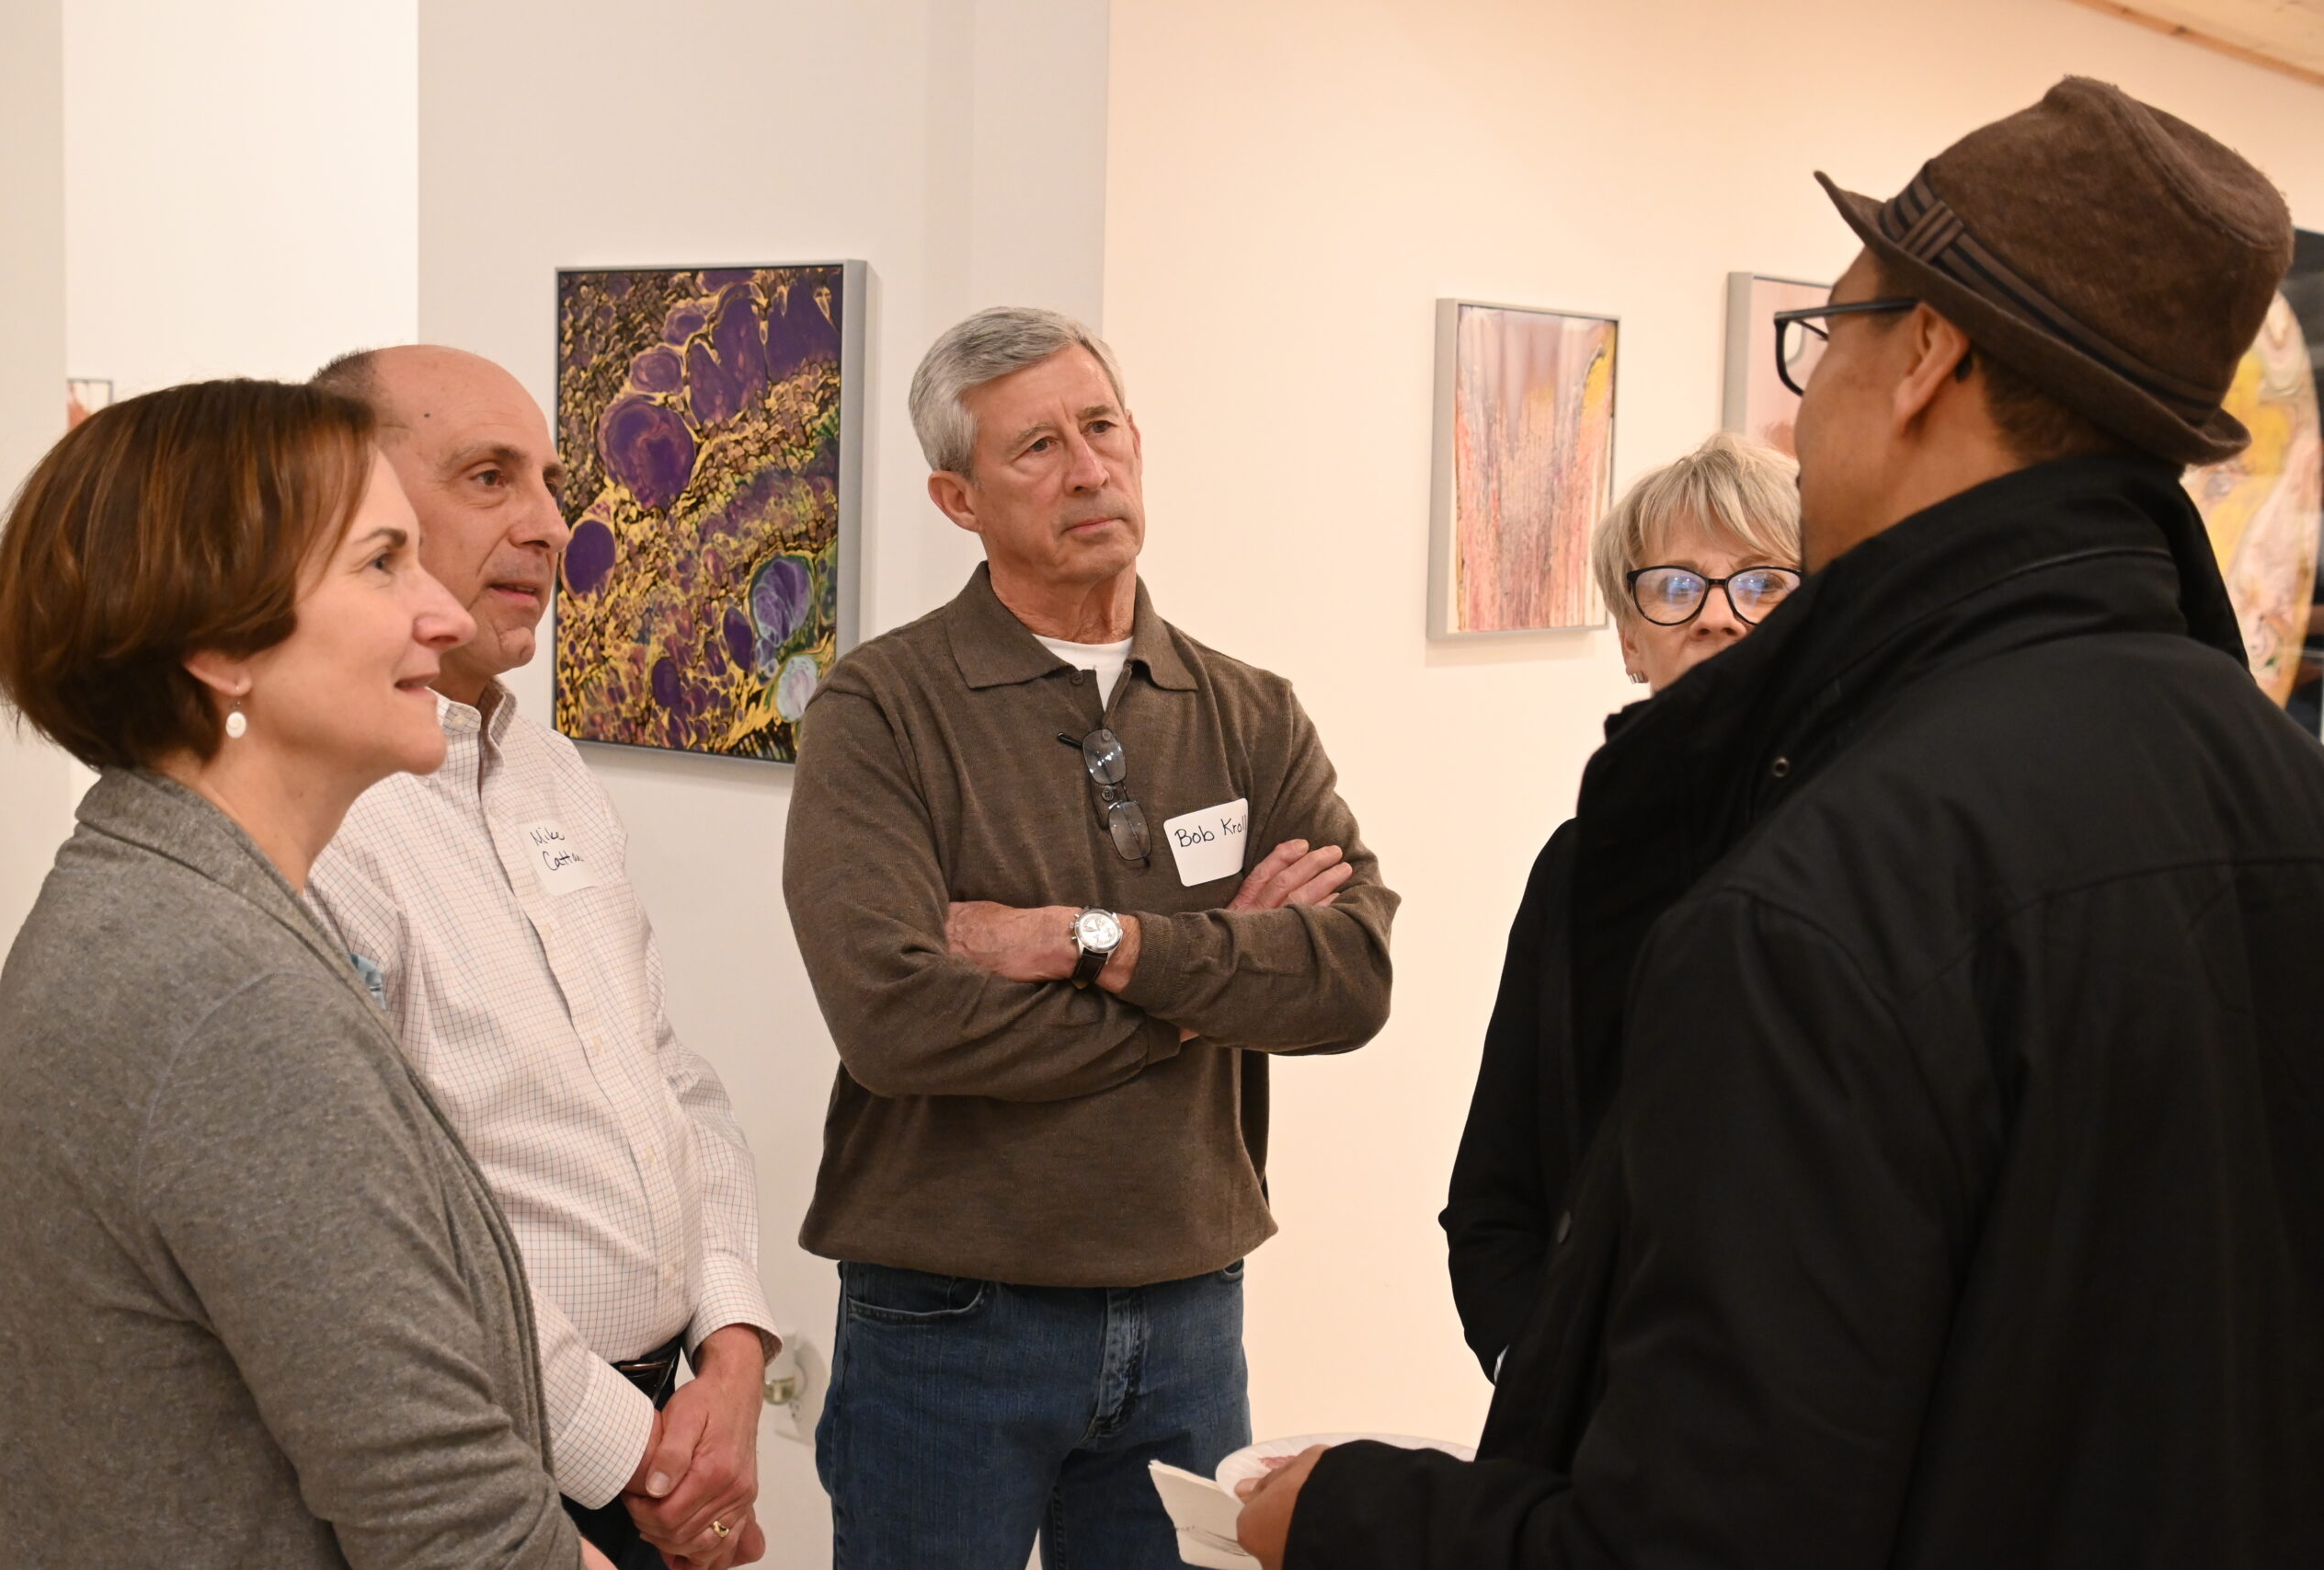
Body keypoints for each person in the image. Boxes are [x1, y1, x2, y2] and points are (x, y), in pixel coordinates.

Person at [1241, 77, 2324, 1568]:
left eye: (1826, 338)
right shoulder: (2269, 782)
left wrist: (1348, 1515)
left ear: (1930, 356)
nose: (1804, 408)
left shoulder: (1838, 882)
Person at [782, 306, 1399, 1569]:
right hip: (950, 1313)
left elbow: (1350, 976)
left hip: (1189, 1304)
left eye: (1102, 427)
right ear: (958, 498)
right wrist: (1207, 982)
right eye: (1037, 448)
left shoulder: (1247, 709)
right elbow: (896, 1020)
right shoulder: (880, 710)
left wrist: (1096, 938)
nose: (1088, 468)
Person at [0, 380, 606, 1569]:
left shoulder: (165, 896)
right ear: (221, 643)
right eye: (381, 564)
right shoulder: (222, 994)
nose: (437, 614)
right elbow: (451, 1524)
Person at [305, 346, 778, 1570]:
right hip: (494, 1446)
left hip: (664, 1417)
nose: (552, 526)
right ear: (345, 515)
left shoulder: (554, 773)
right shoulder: (327, 821)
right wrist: (642, 1452)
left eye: (554, 482)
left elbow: (670, 1075)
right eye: (488, 476)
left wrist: (732, 1342)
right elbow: (380, 1228)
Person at [1441, 431, 1800, 1380]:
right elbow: (1494, 1185)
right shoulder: (1576, 867)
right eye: (1674, 587)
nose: (1717, 619)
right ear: (1632, 640)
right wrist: (1529, 1356)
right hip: (1592, 1402)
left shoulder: (1867, 861)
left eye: (1763, 584)